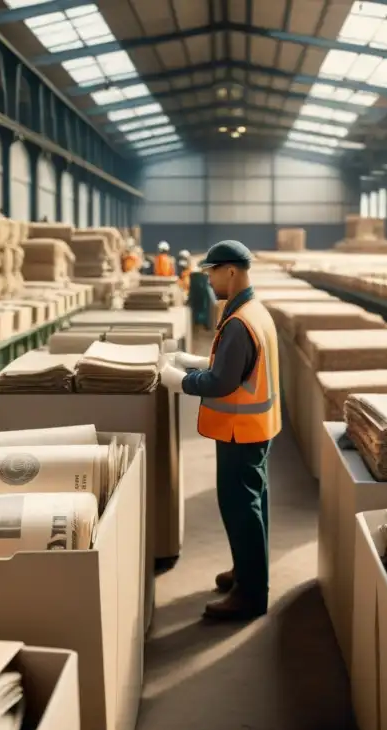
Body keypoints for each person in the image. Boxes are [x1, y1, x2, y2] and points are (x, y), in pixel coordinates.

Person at [159, 240, 280, 621]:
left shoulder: (241, 321)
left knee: (241, 509)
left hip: (239, 431)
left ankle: (249, 595)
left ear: (230, 270)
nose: (208, 279)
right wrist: (193, 360)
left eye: (212, 271)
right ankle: (248, 574)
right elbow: (233, 364)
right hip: (256, 427)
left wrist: (177, 379)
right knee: (253, 504)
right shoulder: (252, 311)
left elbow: (221, 382)